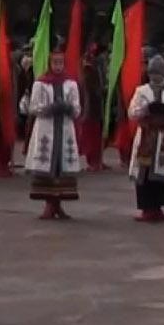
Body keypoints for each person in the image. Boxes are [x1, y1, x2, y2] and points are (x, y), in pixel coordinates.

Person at [126, 57, 164, 223]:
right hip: (146, 135)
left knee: (161, 171)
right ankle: (146, 208)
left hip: (163, 136)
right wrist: (145, 109)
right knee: (144, 172)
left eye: (158, 74)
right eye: (152, 73)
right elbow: (132, 112)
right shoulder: (141, 91)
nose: (155, 77)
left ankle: (158, 208)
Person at [26, 50, 83, 220]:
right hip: (46, 128)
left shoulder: (71, 84)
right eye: (55, 63)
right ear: (49, 63)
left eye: (60, 62)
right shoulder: (40, 83)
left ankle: (58, 205)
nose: (58, 66)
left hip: (64, 129)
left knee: (61, 166)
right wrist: (48, 109)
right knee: (47, 165)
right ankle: (49, 205)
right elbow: (33, 107)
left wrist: (68, 108)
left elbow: (77, 109)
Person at [77, 44, 106, 172]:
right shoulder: (89, 73)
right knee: (91, 138)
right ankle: (93, 162)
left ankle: (95, 162)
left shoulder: (93, 71)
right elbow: (88, 94)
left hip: (94, 109)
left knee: (94, 137)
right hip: (90, 111)